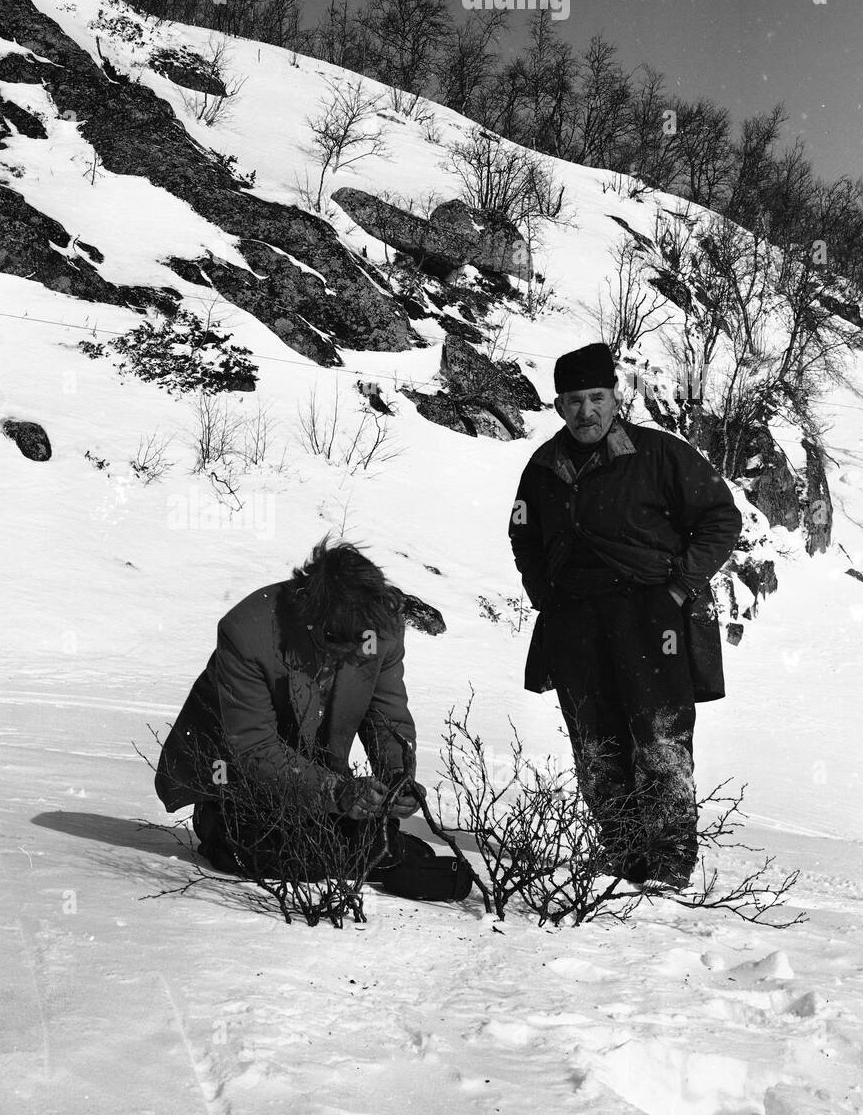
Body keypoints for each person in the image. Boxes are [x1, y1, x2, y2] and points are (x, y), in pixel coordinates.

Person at [508, 343, 743, 888]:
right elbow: (523, 533)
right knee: (595, 743)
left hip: (651, 616)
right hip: (574, 621)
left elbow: (720, 520)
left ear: (616, 397)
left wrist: (680, 589)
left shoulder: (661, 454)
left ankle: (666, 867)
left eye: (595, 397)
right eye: (572, 400)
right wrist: (543, 591)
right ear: (559, 405)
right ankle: (621, 858)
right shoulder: (542, 468)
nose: (585, 411)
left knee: (659, 740)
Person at [155, 538, 472, 902]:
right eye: (342, 642)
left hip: (315, 774)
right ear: (313, 615)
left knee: (326, 841)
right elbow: (255, 747)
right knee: (258, 851)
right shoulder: (248, 632)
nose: (358, 652)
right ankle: (384, 856)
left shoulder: (378, 627)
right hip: (231, 781)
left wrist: (399, 778)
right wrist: (336, 793)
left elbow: (386, 714)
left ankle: (376, 850)